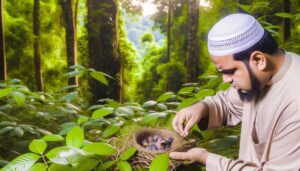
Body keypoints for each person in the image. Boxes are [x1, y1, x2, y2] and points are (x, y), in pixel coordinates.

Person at [169, 13, 300, 170]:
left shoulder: (295, 101)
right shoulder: (262, 76)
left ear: (259, 60)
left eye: (230, 71)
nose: (225, 80)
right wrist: (201, 107)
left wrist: (207, 159)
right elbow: (229, 103)